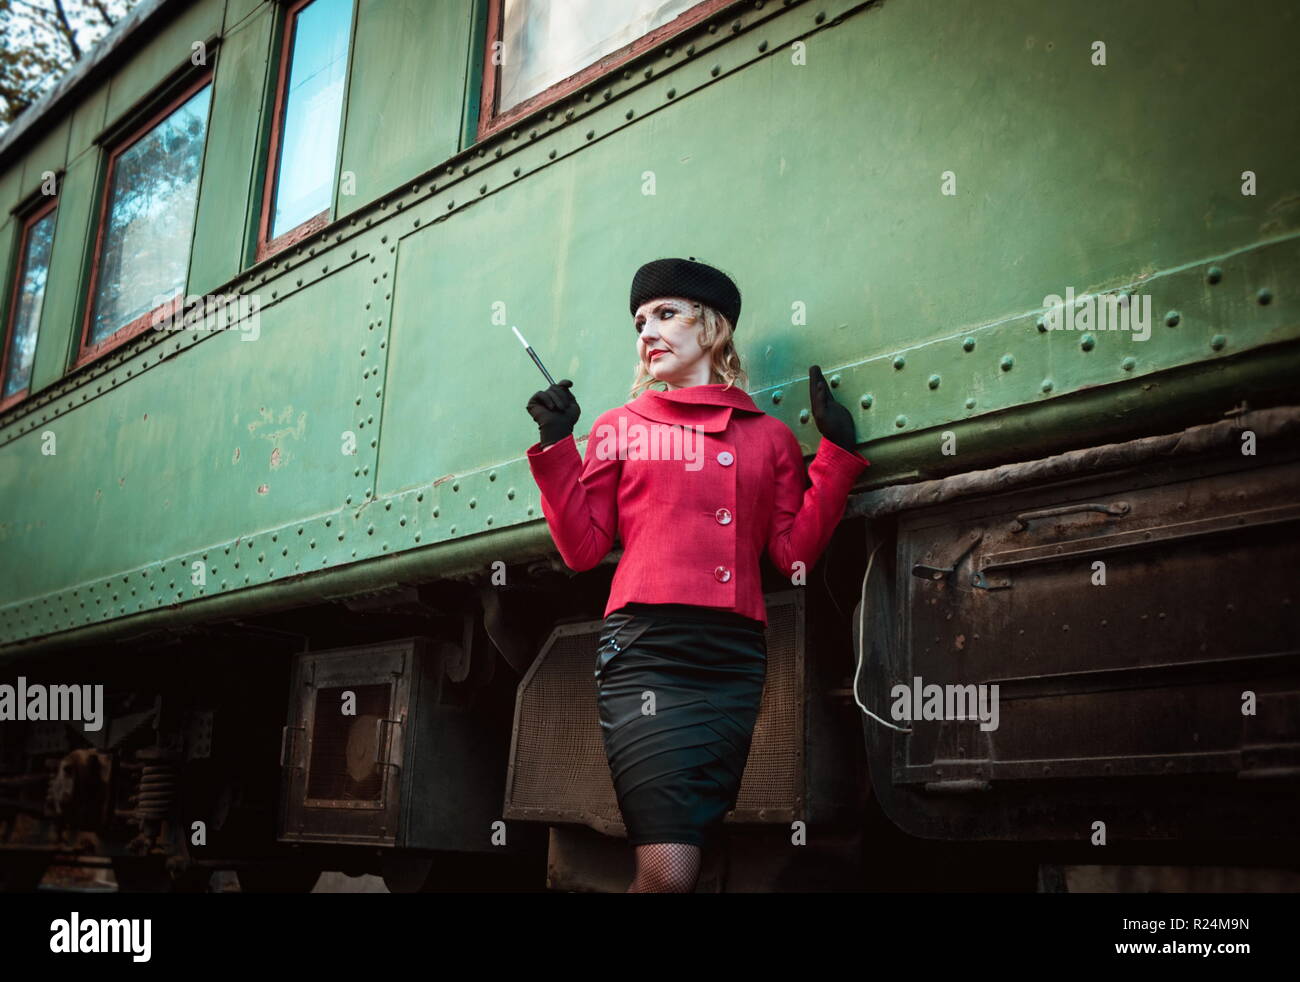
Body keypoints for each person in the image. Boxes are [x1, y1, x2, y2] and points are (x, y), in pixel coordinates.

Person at [524, 257, 868, 892]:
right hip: (646, 652)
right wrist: (556, 448)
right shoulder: (616, 429)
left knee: (684, 869)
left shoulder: (768, 439)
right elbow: (582, 549)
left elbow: (791, 557)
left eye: (665, 314)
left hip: (733, 661)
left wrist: (838, 459)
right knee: (666, 875)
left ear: (712, 329)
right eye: (639, 321)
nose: (646, 332)